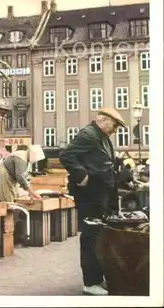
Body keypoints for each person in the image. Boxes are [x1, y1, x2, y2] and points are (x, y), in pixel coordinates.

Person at [59, 108, 126, 296]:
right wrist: (82, 175)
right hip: (90, 195)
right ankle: (90, 282)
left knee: (97, 236)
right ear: (103, 120)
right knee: (91, 237)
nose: (116, 130)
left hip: (99, 195)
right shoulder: (88, 135)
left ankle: (97, 278)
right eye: (115, 125)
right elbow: (66, 155)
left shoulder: (102, 138)